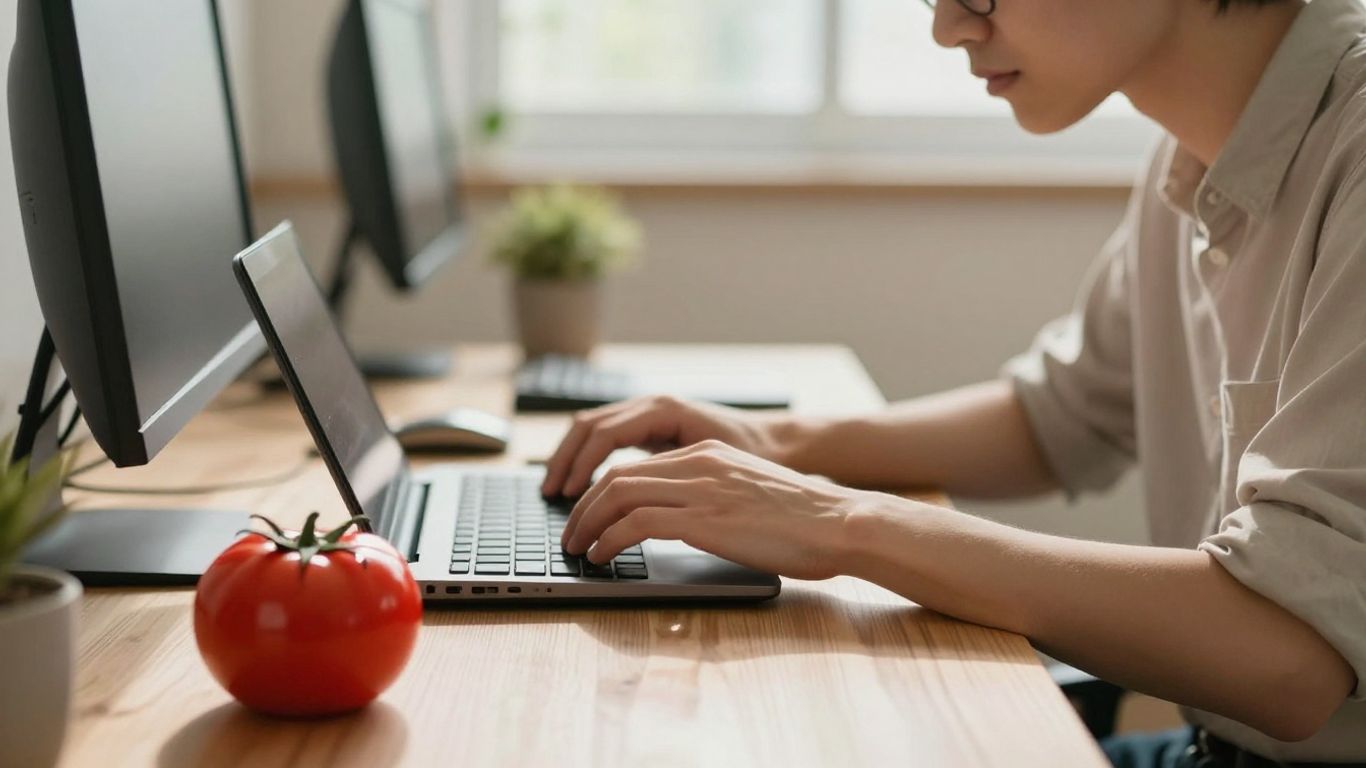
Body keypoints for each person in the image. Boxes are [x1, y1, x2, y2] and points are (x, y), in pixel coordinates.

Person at [541, 0, 1366, 765]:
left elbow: (1289, 653)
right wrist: (777, 444)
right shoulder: (1192, 150)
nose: (947, 27)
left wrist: (838, 523)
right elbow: (1059, 417)